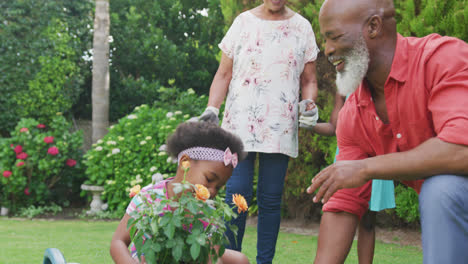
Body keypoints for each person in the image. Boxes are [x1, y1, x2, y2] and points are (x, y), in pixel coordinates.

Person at [306, 0, 468, 263]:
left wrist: (365, 168)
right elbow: (343, 205)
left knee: (442, 189)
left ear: (373, 26)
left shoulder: (441, 59)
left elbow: (462, 149)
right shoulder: (353, 114)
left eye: (334, 37)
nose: (328, 50)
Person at [198, 1, 320, 263]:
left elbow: (309, 80)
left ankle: (265, 262)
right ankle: (230, 260)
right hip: (239, 126)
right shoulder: (243, 23)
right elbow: (223, 73)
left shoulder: (302, 27)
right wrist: (212, 108)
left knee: (270, 199)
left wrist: (309, 103)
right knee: (236, 194)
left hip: (280, 127)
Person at [110, 122, 250, 264]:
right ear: (185, 163)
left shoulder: (208, 212)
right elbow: (118, 242)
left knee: (240, 260)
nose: (212, 191)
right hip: (149, 256)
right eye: (209, 179)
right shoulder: (149, 198)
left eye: (219, 187)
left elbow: (212, 257)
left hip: (190, 258)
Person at [302, 92, 395, 264]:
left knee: (368, 220)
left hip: (378, 156)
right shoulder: (344, 87)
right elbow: (333, 126)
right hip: (348, 158)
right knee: (344, 209)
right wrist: (309, 124)